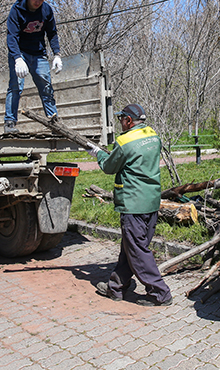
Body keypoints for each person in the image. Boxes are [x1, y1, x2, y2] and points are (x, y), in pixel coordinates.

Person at [86, 104, 173, 306]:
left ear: (129, 120)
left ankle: (160, 293)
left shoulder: (124, 141)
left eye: (121, 119)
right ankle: (116, 287)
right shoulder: (153, 135)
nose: (120, 123)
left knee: (137, 250)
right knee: (131, 247)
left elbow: (109, 166)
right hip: (151, 201)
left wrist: (98, 153)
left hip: (133, 203)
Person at [4, 0, 63, 134]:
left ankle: (54, 122)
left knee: (46, 87)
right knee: (15, 87)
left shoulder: (47, 10)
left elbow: (52, 33)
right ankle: (9, 122)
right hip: (20, 53)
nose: (38, 2)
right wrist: (17, 58)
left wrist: (57, 54)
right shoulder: (17, 10)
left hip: (38, 54)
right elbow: (12, 37)